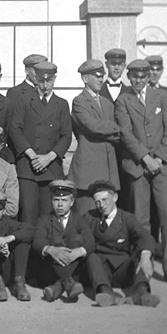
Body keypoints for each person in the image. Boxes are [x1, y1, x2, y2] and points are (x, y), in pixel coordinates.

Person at [115, 58, 167, 287]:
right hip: (137, 166)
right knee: (140, 219)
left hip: (162, 166)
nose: (139, 81)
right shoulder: (123, 100)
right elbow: (126, 133)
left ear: (148, 77)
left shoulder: (160, 96)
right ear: (129, 77)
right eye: (134, 77)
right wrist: (145, 158)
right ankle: (143, 268)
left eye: (143, 77)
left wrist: (159, 158)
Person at [9, 61, 73, 225]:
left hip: (51, 167)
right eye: (42, 81)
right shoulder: (24, 101)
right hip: (28, 166)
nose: (45, 85)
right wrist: (32, 156)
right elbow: (15, 129)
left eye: (49, 81)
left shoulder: (61, 104)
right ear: (36, 79)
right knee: (28, 212)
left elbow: (66, 135)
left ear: (54, 79)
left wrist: (48, 157)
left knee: (48, 215)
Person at [85, 180, 160, 307]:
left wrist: (145, 256)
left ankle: (141, 292)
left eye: (105, 200)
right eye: (97, 201)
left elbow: (144, 236)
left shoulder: (126, 218)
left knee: (141, 254)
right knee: (91, 257)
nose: (101, 205)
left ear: (115, 197)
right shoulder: (90, 217)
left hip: (123, 271)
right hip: (101, 272)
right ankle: (106, 293)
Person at [68, 59, 122, 216]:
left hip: (107, 169)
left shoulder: (107, 103)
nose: (101, 80)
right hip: (88, 170)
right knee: (86, 216)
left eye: (102, 76)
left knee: (106, 217)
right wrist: (113, 128)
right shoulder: (79, 101)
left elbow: (114, 134)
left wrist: (107, 130)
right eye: (97, 76)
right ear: (85, 78)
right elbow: (92, 126)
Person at [33, 180, 94, 302]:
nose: (60, 205)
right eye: (56, 200)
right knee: (55, 240)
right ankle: (67, 282)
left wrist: (78, 252)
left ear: (72, 202)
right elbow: (37, 241)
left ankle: (57, 287)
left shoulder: (79, 219)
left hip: (74, 268)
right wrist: (51, 249)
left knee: (77, 239)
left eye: (64, 200)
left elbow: (90, 241)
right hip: (49, 271)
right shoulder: (45, 219)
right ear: (51, 201)